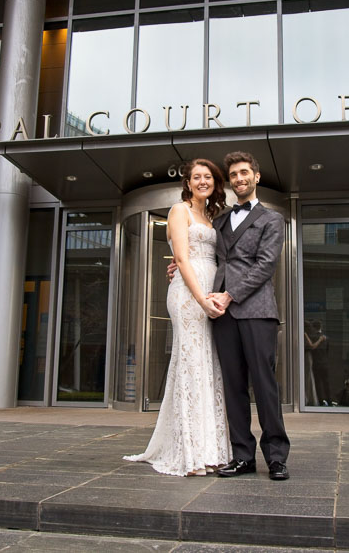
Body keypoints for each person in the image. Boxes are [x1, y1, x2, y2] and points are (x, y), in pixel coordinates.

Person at [124, 159, 231, 476]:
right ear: (187, 182)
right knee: (190, 362)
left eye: (208, 177)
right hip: (188, 295)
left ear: (214, 182)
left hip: (211, 292)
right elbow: (182, 258)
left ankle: (210, 447)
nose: (202, 181)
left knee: (207, 364)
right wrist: (201, 299)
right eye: (197, 177)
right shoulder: (178, 210)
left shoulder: (210, 216)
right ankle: (190, 450)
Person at [206, 151, 291, 481]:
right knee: (233, 386)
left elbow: (265, 266)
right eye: (234, 175)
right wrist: (179, 267)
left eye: (245, 173)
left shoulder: (271, 220)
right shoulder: (220, 220)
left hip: (256, 310)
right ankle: (242, 455)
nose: (239, 179)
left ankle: (276, 457)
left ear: (256, 176)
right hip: (222, 315)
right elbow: (210, 257)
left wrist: (230, 294)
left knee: (264, 385)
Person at [304, 319, 331, 406]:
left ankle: (320, 401)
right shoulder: (325, 338)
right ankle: (329, 400)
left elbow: (312, 347)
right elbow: (328, 350)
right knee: (326, 382)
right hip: (325, 362)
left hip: (316, 362)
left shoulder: (312, 337)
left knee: (318, 383)